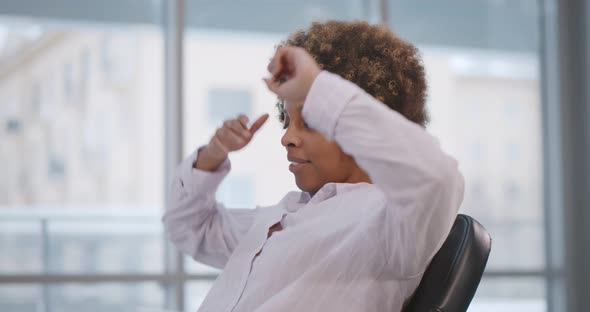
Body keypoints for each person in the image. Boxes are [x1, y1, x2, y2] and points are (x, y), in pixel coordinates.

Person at [163, 21, 464, 312]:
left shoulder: (387, 226)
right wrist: (213, 155)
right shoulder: (286, 214)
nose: (287, 138)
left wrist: (317, 89)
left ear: (354, 128)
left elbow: (437, 178)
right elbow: (190, 227)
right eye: (286, 121)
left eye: (310, 122)